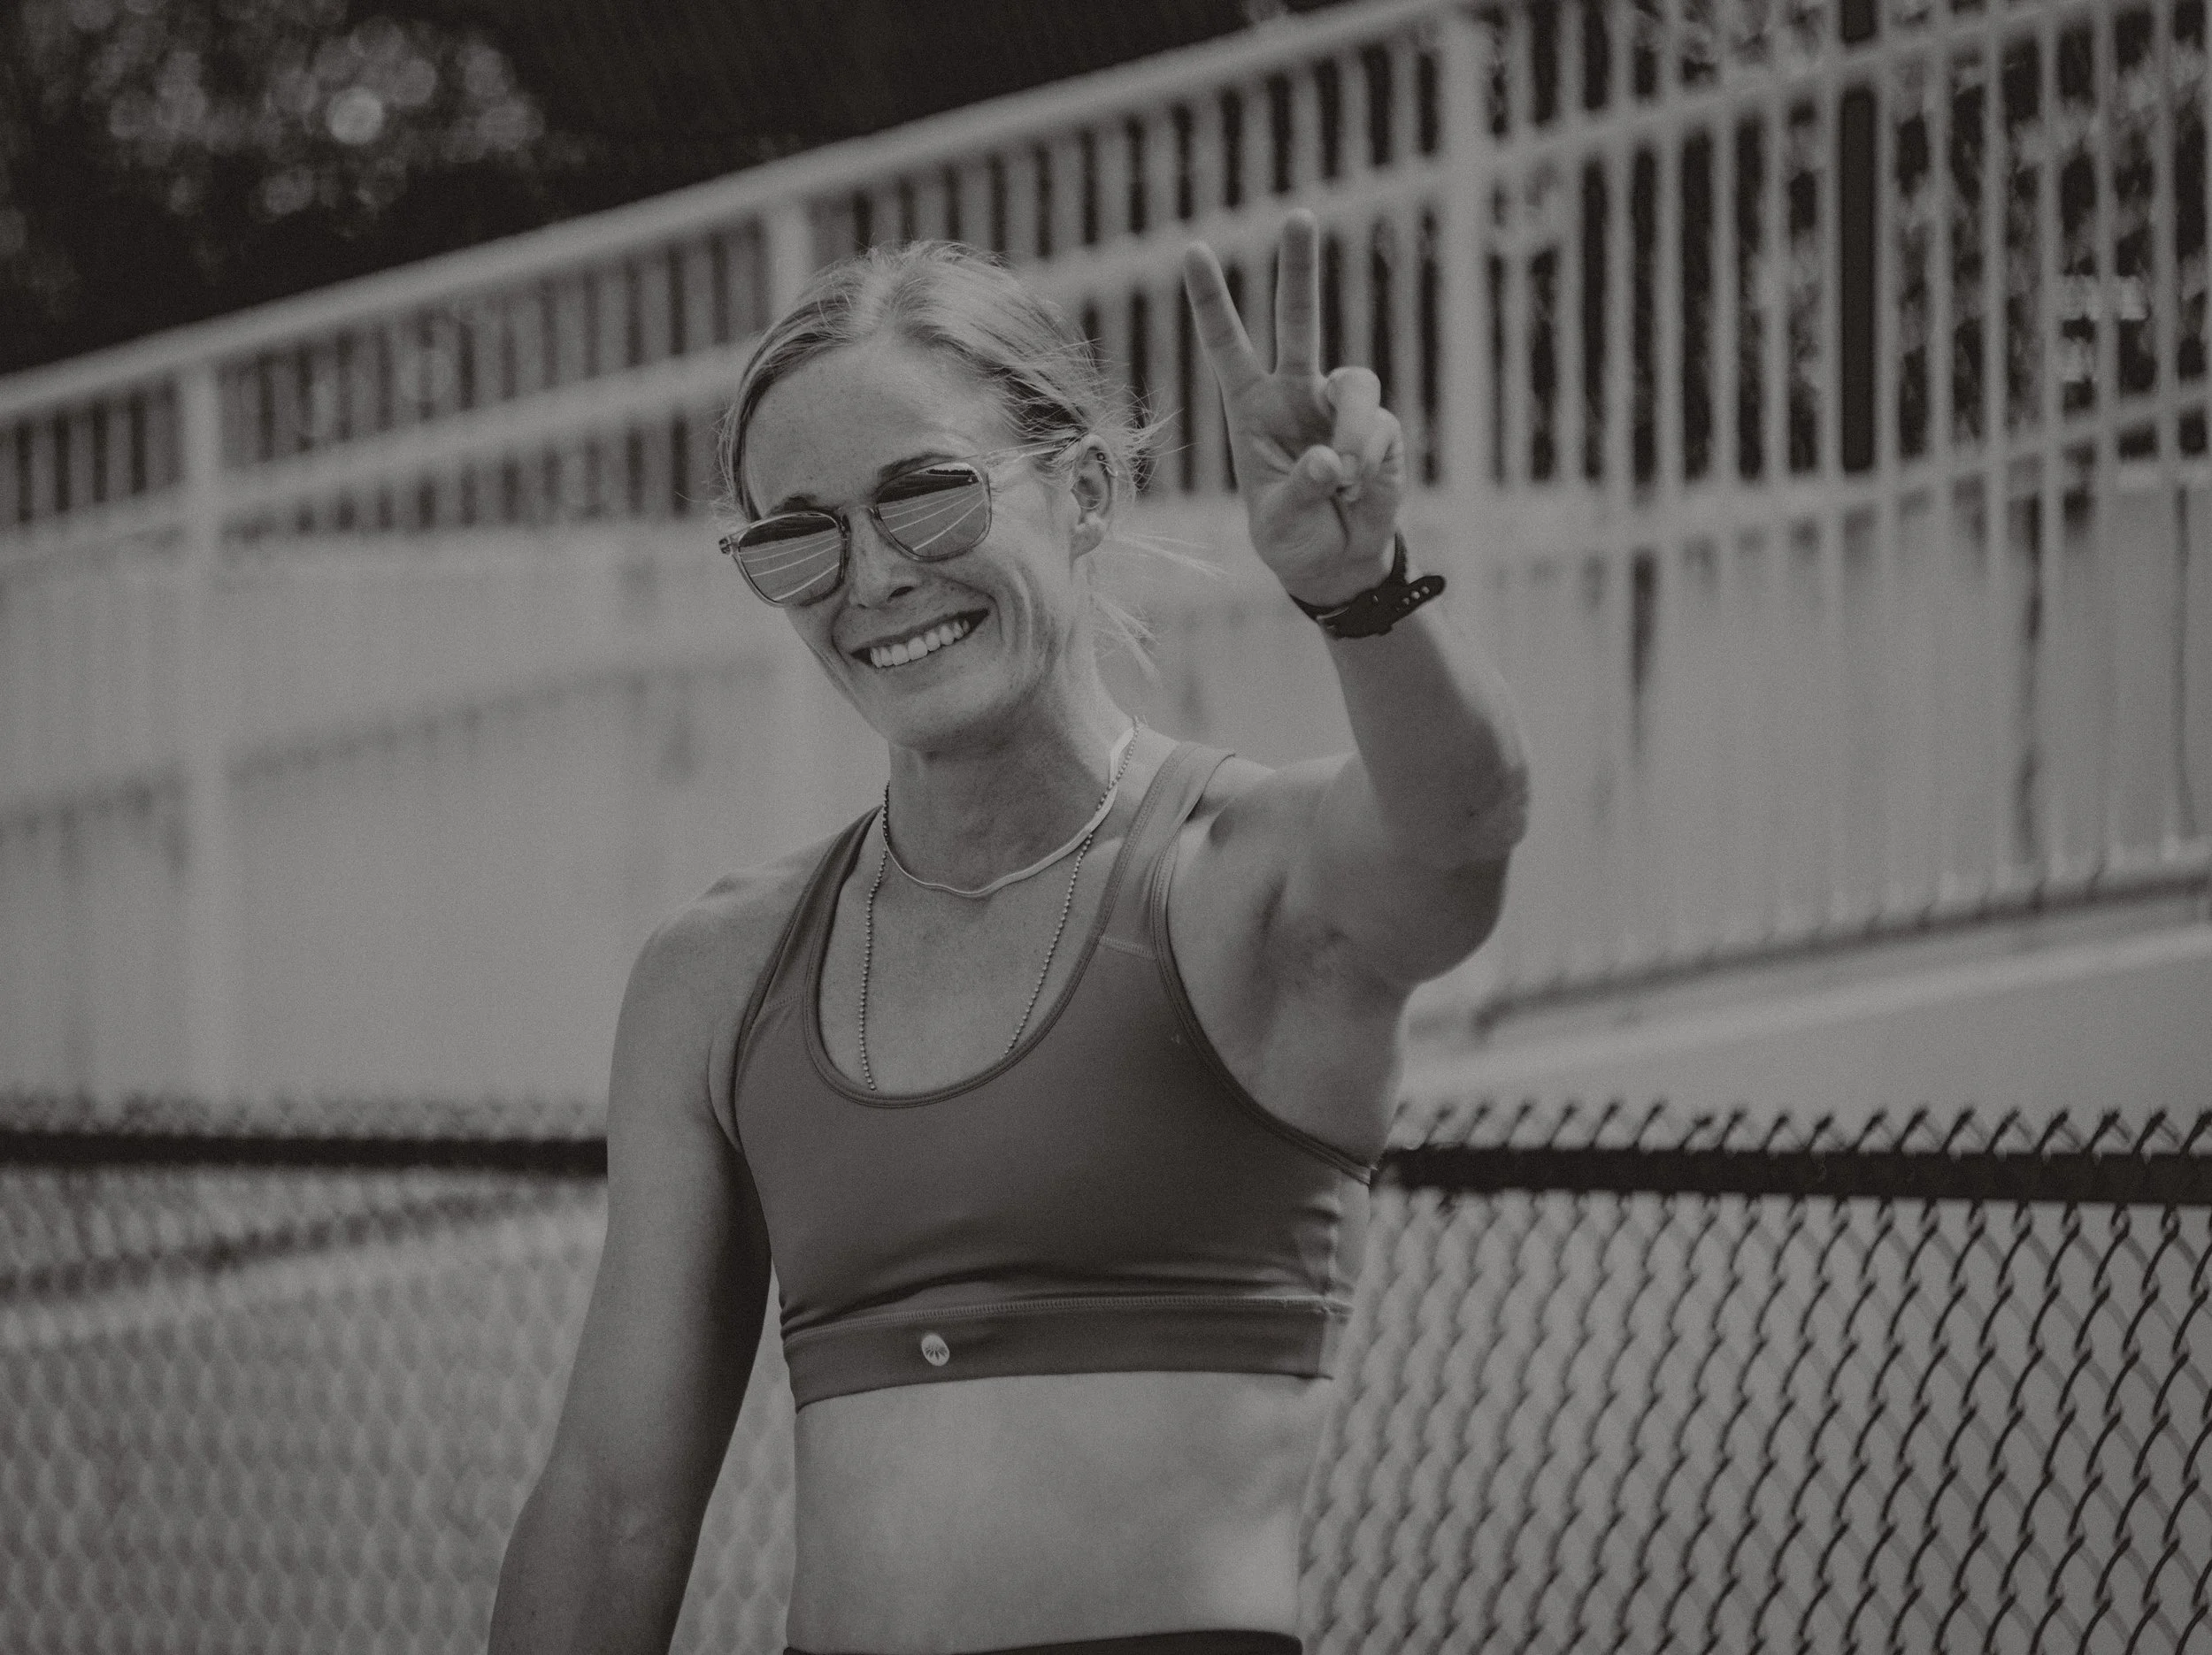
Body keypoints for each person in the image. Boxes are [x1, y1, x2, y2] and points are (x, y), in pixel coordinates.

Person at [488, 210, 1529, 1655]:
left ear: (1085, 493)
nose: (873, 579)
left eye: (927, 498)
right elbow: (612, 1506)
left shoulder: (1247, 882)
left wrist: (1361, 596)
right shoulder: (716, 976)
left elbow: (1460, 834)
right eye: (799, 539)